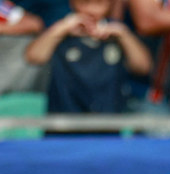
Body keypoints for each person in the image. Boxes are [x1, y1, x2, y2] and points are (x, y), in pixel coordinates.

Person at [23, 0, 152, 114]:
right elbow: (33, 57)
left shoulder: (117, 33)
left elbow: (143, 67)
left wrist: (124, 35)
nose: (91, 10)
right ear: (71, 2)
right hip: (63, 124)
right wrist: (61, 29)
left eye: (99, 2)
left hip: (107, 125)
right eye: (84, 2)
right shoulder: (60, 31)